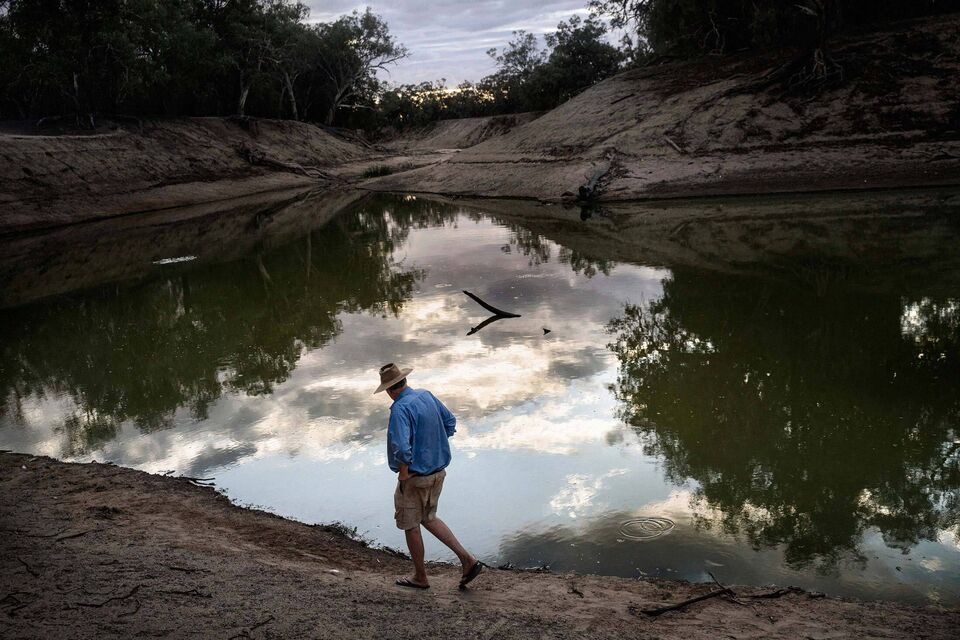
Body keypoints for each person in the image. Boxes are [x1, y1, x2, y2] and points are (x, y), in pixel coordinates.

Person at [374, 362, 482, 590]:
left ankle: (420, 577)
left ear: (389, 390)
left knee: (410, 524)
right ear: (404, 381)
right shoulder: (426, 395)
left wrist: (404, 474)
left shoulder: (400, 409)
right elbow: (450, 422)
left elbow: (402, 447)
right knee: (428, 517)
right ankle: (468, 560)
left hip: (415, 477)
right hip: (438, 472)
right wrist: (433, 446)